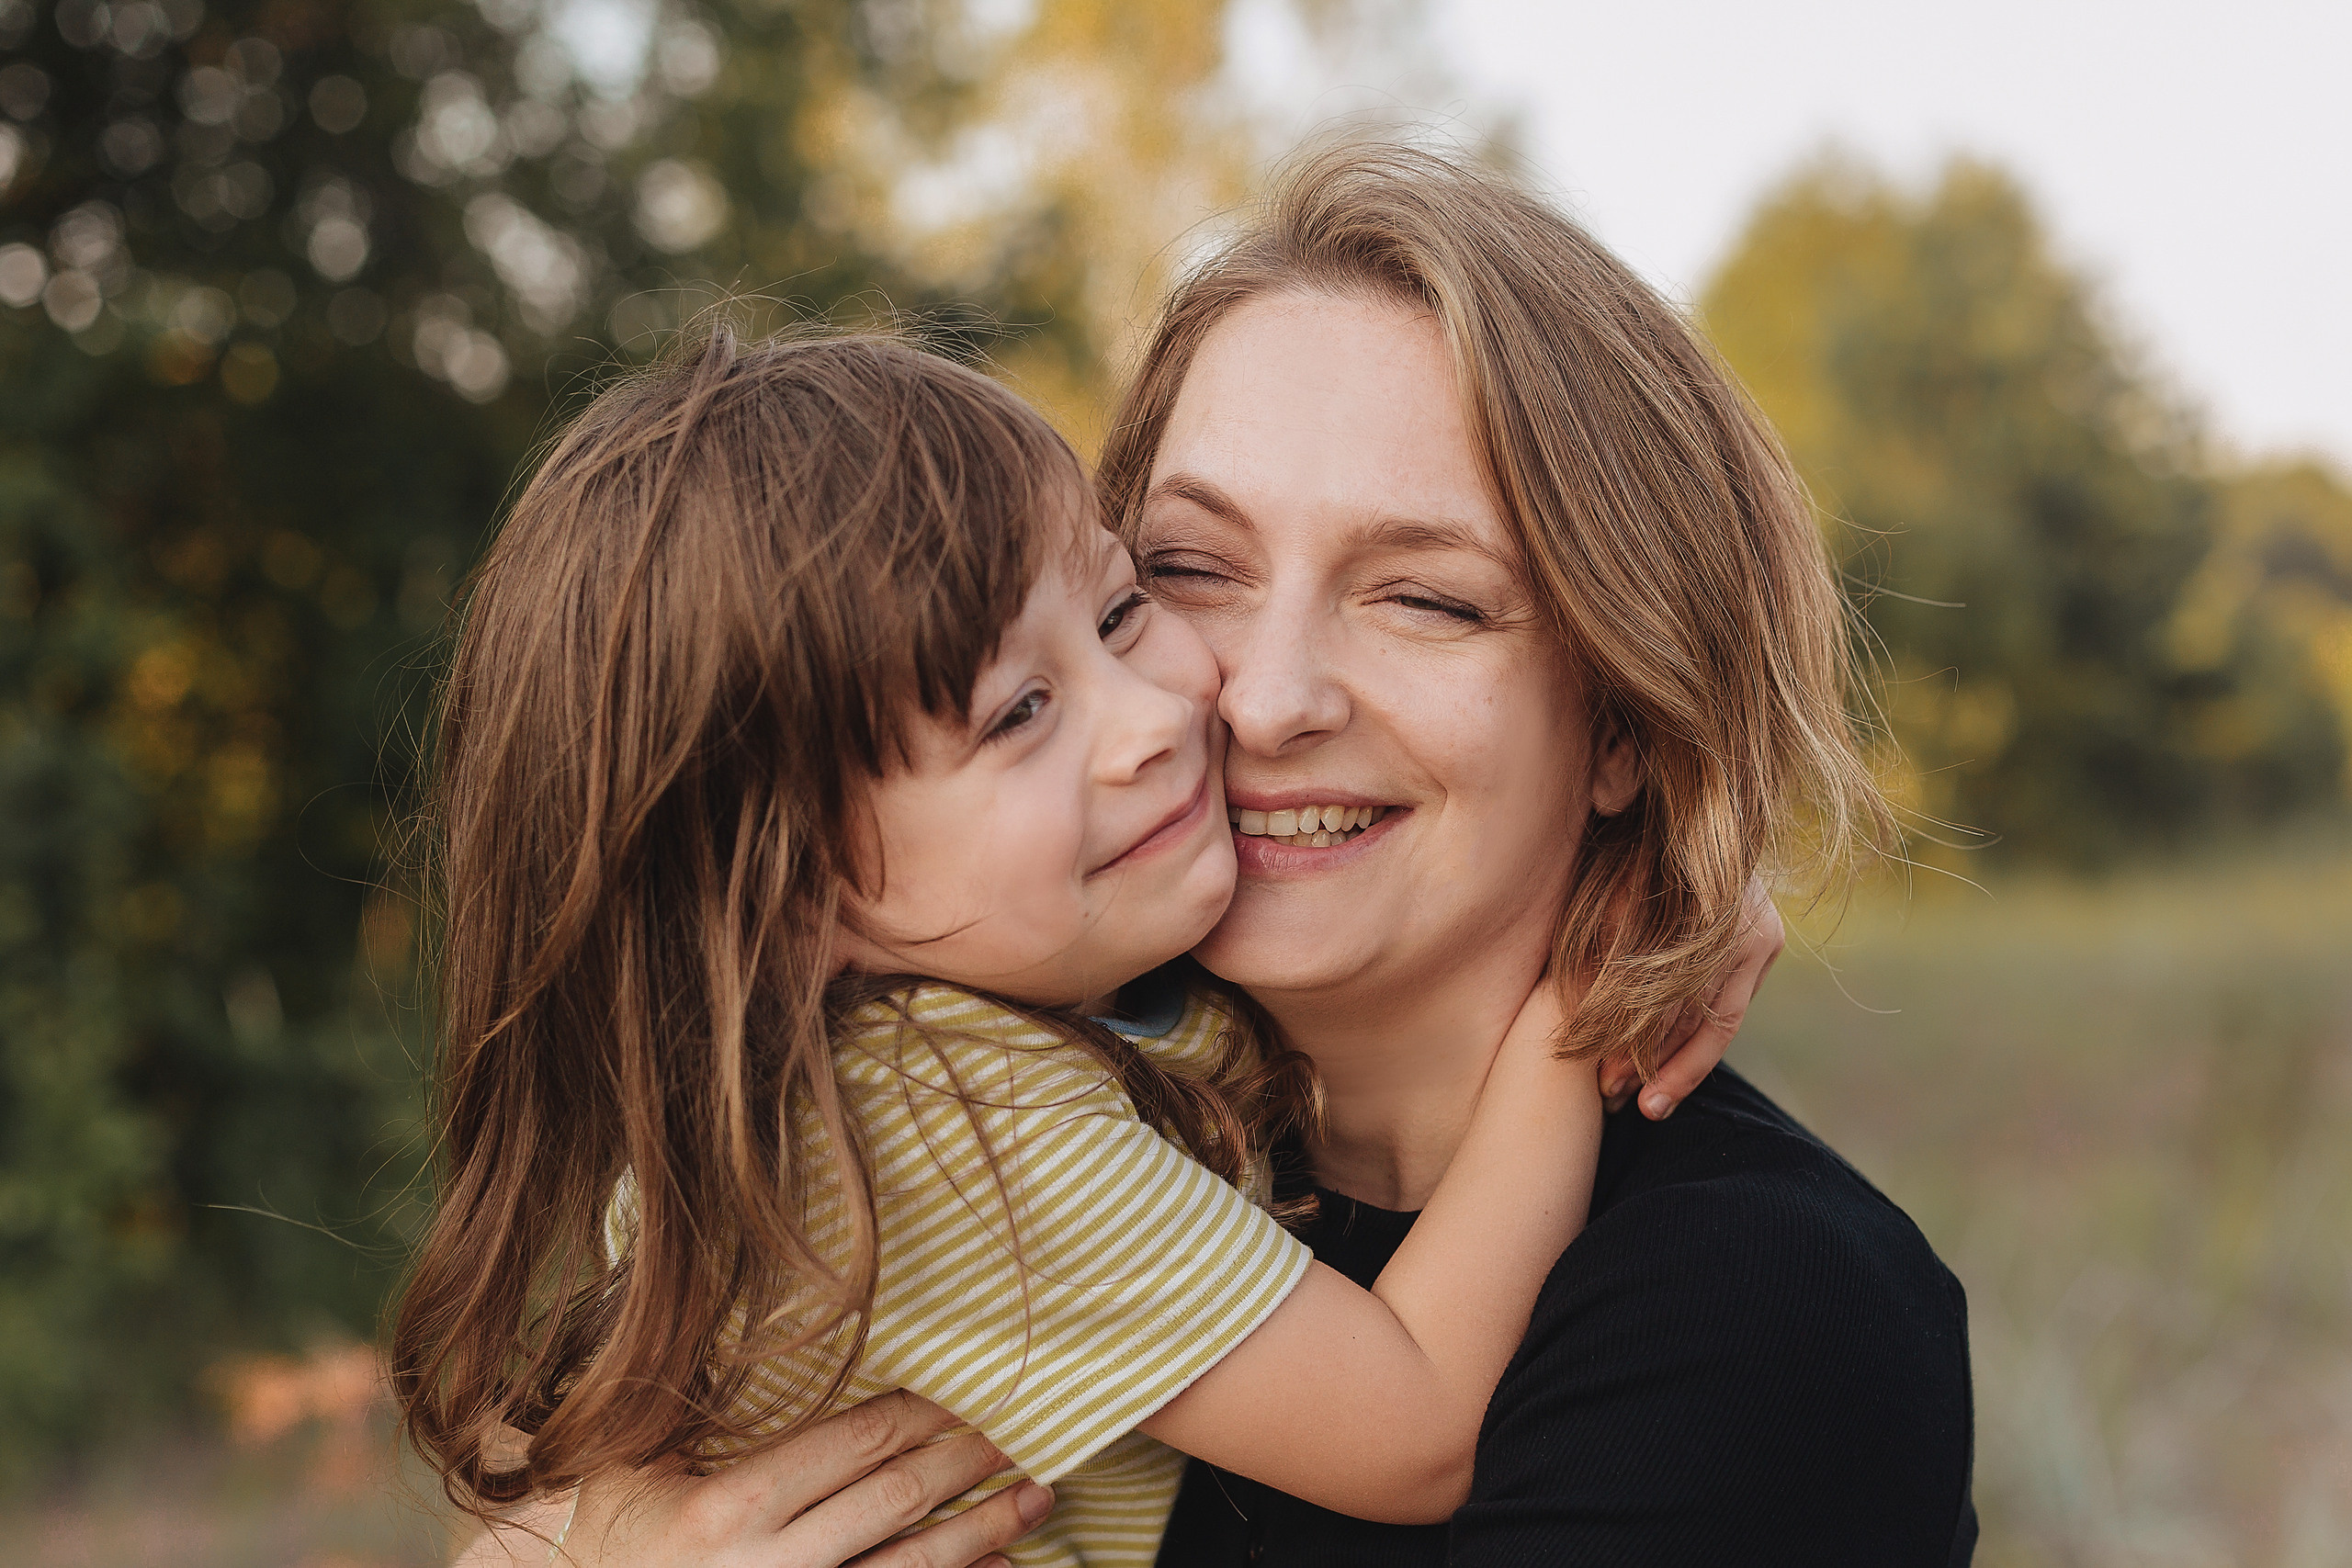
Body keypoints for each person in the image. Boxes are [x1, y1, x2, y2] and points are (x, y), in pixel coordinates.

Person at [461, 141, 1974, 1568]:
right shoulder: (1007, 1092)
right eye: (1191, 572)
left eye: (1426, 600)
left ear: (1631, 718)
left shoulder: (1758, 1308)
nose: (1248, 698)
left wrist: (1623, 973)